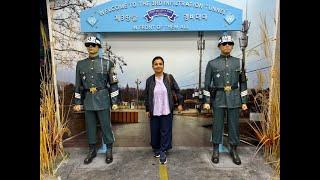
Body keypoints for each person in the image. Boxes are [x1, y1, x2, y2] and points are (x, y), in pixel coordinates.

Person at [203, 35, 248, 165]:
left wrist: (244, 101)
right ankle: (216, 149)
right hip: (219, 97)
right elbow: (207, 84)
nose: (227, 46)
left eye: (230, 43)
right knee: (217, 125)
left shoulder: (239, 62)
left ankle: (233, 149)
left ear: (232, 46)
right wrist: (206, 101)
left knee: (234, 125)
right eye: (224, 44)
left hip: (234, 97)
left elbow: (243, 83)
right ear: (219, 47)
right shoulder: (212, 63)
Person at [73, 36, 119, 164]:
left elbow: (113, 84)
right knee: (90, 126)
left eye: (93, 45)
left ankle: (109, 149)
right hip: (88, 99)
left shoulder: (108, 63)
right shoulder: (81, 64)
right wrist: (78, 102)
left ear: (98, 47)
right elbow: (78, 85)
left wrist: (114, 102)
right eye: (88, 45)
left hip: (103, 98)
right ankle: (92, 149)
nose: (91, 47)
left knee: (105, 126)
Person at [144, 56, 183, 164]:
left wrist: (180, 103)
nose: (158, 66)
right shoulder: (149, 80)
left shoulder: (169, 78)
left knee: (165, 131)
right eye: (156, 64)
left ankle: (163, 151)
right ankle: (156, 148)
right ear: (152, 66)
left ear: (163, 65)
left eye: (160, 64)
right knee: (154, 131)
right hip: (154, 111)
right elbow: (146, 95)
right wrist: (147, 109)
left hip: (166, 110)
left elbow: (177, 91)